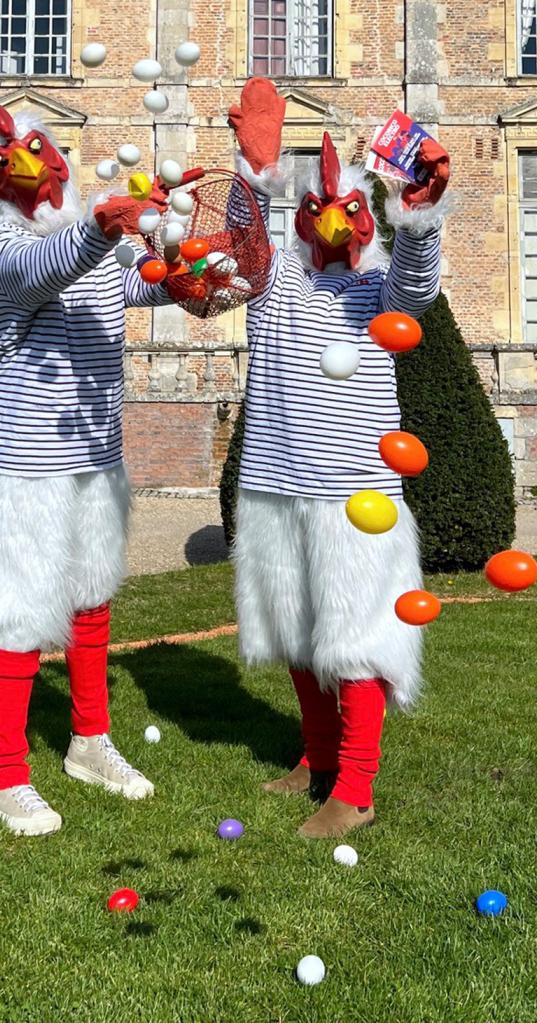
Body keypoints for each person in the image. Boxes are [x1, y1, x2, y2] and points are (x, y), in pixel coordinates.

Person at [227, 79, 452, 837]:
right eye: (317, 206)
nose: (329, 217)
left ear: (363, 222)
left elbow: (418, 287)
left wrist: (416, 218)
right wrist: (253, 169)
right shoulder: (277, 282)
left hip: (355, 489)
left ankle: (354, 789)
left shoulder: (378, 288)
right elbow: (247, 248)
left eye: (347, 209)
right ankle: (317, 758)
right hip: (272, 479)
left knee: (353, 636)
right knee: (294, 628)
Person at [0, 91, 170, 836]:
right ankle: (5, 774)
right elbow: (48, 267)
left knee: (90, 599)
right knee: (20, 606)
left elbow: (142, 282)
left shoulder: (92, 243)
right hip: (26, 457)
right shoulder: (2, 242)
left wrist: (183, 257)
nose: (29, 171)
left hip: (95, 452)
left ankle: (89, 742)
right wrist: (103, 224)